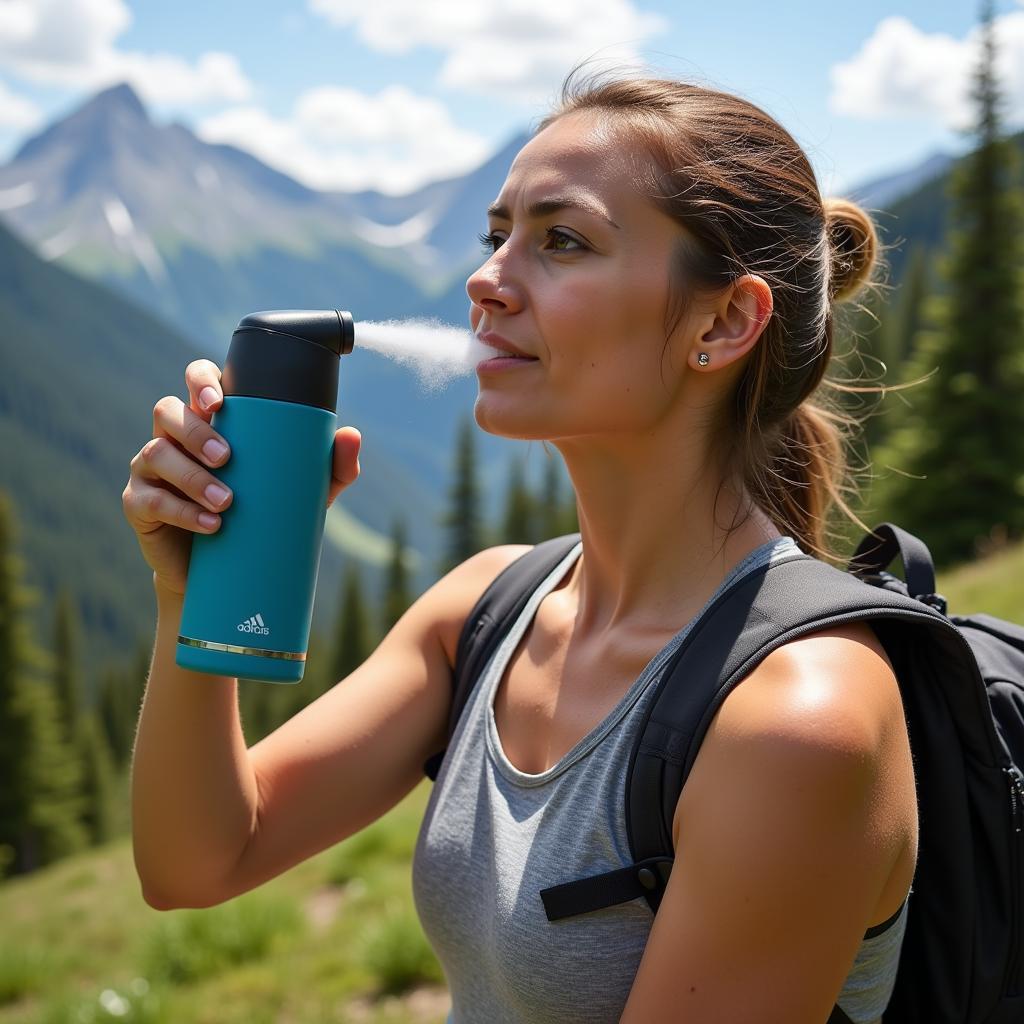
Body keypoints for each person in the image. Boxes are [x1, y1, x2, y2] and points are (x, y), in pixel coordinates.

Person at [123, 70, 917, 1024]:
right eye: (497, 235)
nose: (485, 280)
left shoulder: (797, 718)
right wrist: (193, 592)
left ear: (725, 321)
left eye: (562, 240)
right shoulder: (488, 607)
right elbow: (199, 860)